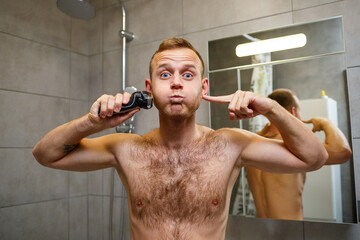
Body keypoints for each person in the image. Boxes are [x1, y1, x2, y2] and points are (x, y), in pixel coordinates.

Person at [32, 37, 328, 240]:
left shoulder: (230, 145)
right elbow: (45, 154)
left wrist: (271, 107)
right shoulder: (126, 149)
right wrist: (91, 122)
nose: (175, 82)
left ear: (203, 86)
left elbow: (315, 158)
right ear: (149, 87)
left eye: (188, 75)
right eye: (165, 74)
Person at [246, 88, 352, 220]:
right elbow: (343, 152)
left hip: (260, 229)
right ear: (292, 112)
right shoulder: (293, 146)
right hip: (291, 230)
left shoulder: (250, 142)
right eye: (299, 111)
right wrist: (326, 122)